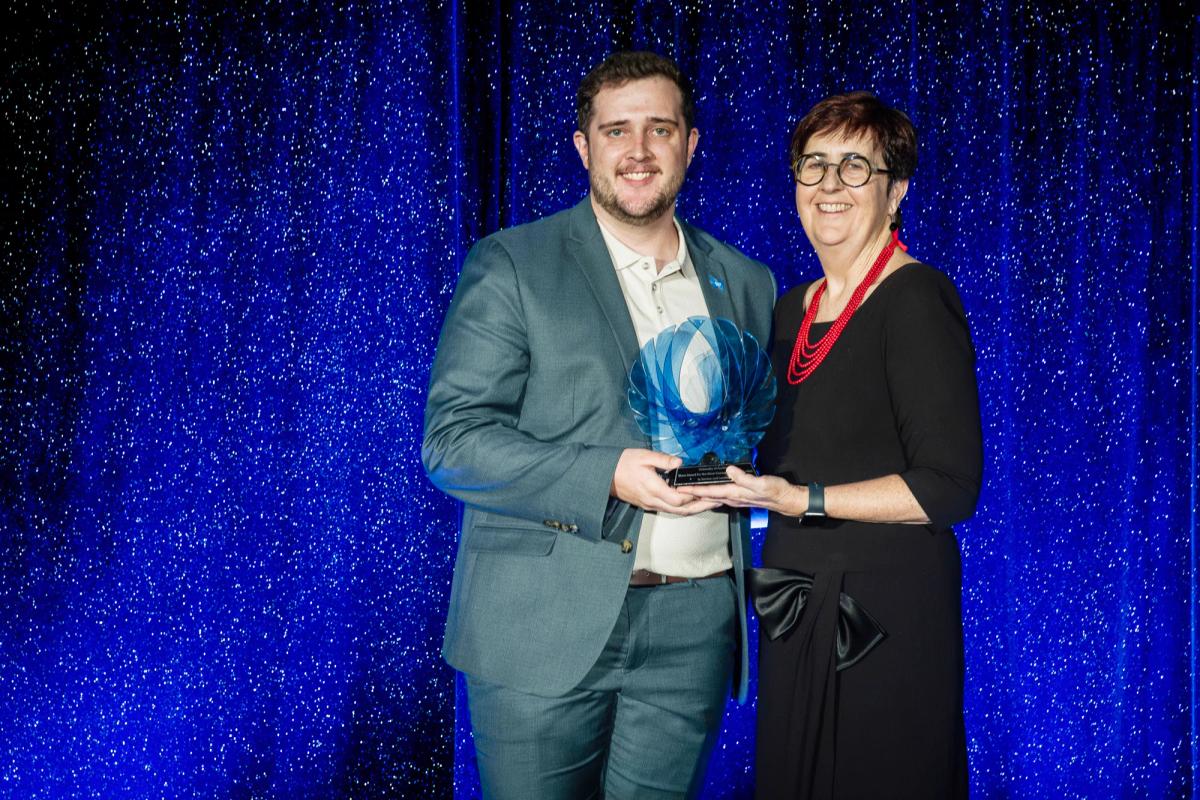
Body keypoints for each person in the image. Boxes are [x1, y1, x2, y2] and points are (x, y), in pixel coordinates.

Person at [422, 51, 775, 799]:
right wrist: (605, 472)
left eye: (659, 129)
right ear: (584, 147)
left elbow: (752, 429)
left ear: (690, 143)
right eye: (616, 131)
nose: (638, 151)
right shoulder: (513, 263)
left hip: (695, 623)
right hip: (539, 627)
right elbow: (452, 442)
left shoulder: (746, 282)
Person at [688, 91, 983, 798]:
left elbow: (950, 486)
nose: (829, 185)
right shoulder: (791, 306)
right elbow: (784, 451)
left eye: (856, 167)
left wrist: (800, 499)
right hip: (795, 598)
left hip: (884, 614)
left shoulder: (916, 299)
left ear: (896, 190)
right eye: (813, 165)